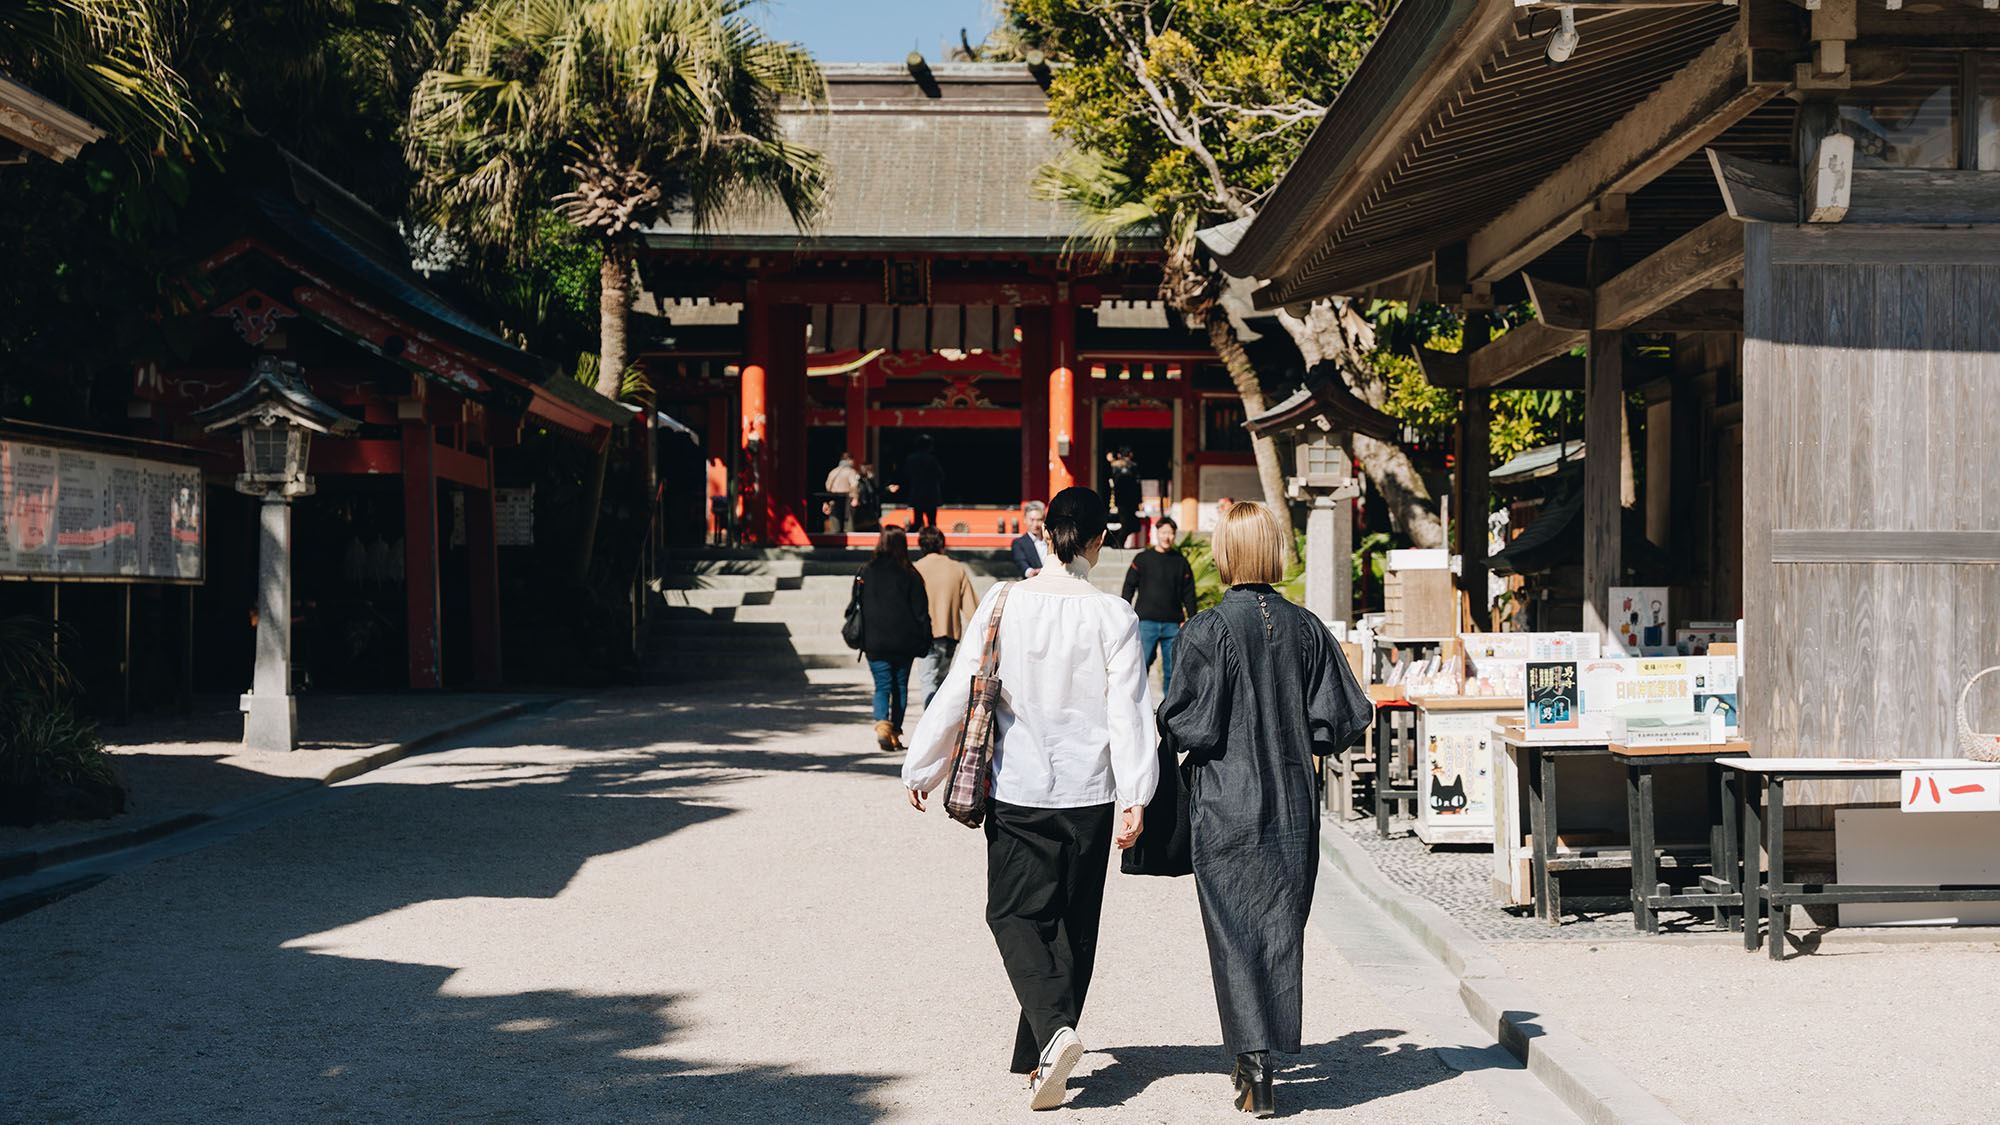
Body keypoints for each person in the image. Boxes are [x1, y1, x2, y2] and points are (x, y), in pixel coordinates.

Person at [902, 486, 1157, 1113]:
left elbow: (964, 687)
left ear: (1044, 534)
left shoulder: (1004, 601)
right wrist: (1136, 794)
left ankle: (1053, 1035)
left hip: (1020, 784)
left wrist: (923, 765)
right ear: (1100, 541)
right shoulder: (1114, 616)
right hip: (1092, 791)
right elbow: (1129, 714)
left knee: (1014, 914)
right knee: (1075, 922)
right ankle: (1042, 1049)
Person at [1155, 501, 1372, 1117]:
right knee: (1281, 927)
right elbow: (1343, 717)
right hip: (1293, 803)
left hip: (1225, 798)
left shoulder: (1205, 629)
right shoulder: (1305, 627)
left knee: (1233, 931)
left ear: (1225, 553)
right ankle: (1265, 1055)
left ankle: (1251, 1061)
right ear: (1273, 551)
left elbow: (1189, 726)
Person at [857, 526, 932, 752]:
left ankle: (882, 726)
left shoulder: (866, 571)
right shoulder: (911, 574)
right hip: (904, 641)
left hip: (875, 640)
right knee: (900, 686)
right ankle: (895, 732)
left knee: (882, 686)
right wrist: (925, 637)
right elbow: (921, 611)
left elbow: (857, 605)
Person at [1120, 516, 1197, 692]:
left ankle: (1169, 710)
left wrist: (1191, 619)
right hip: (1146, 622)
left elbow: (1189, 593)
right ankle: (1138, 703)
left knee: (1172, 669)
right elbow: (1129, 587)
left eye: (1170, 533)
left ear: (1174, 535)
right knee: (1142, 664)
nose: (1167, 537)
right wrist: (1124, 612)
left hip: (1173, 624)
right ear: (1157, 533)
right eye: (1163, 532)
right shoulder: (1142, 559)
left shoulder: (1181, 562)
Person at [912, 524, 979, 706]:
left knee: (928, 681)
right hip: (950, 633)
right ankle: (940, 725)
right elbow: (971, 607)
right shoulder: (956, 568)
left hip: (925, 634)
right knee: (942, 683)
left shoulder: (916, 569)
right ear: (943, 544)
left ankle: (931, 724)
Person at [902, 434, 945, 529]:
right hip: (931, 495)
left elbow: (906, 475)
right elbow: (940, 476)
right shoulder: (932, 459)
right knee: (932, 523)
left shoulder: (910, 459)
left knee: (917, 522)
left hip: (916, 495)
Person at [824, 452, 861, 533]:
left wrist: (826, 502)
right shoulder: (850, 471)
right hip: (847, 501)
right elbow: (854, 484)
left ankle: (834, 543)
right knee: (848, 527)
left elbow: (828, 486)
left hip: (833, 501)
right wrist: (855, 497)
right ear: (849, 460)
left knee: (835, 527)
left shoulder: (833, 471)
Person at [1010, 501, 1048, 577]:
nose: (1035, 524)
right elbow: (1020, 561)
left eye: (1039, 520)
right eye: (1032, 520)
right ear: (1025, 520)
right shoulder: (1019, 543)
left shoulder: (1051, 540)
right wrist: (1030, 572)